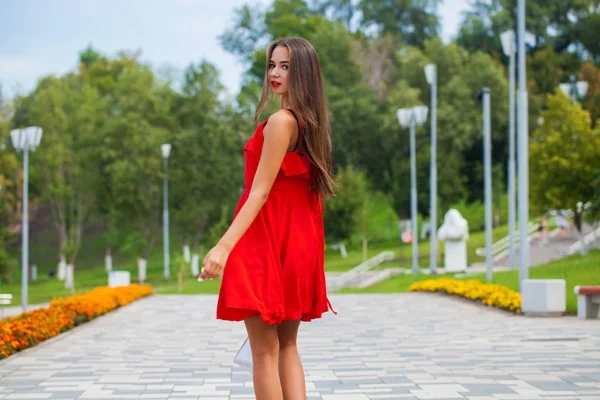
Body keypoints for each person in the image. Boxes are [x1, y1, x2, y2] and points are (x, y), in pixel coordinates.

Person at [198, 37, 337, 400]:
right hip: (297, 241)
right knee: (286, 346)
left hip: (265, 240)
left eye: (285, 66)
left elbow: (259, 192)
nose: (275, 73)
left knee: (264, 351)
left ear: (303, 73)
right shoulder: (311, 123)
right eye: (272, 65)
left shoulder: (279, 122)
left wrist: (222, 247)